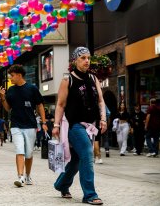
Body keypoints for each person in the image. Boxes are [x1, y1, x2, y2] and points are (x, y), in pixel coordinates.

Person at [52, 47, 107, 205]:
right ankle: (90, 194)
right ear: (75, 60)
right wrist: (56, 124)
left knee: (76, 159)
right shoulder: (67, 80)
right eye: (82, 58)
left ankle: (61, 184)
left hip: (91, 126)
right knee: (88, 153)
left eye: (88, 58)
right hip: (74, 126)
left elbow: (100, 101)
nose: (86, 61)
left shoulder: (93, 78)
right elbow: (61, 105)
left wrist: (103, 119)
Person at [0, 64, 48, 187]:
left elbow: (40, 105)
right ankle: (20, 177)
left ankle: (27, 175)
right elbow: (7, 108)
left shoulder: (32, 89)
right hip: (16, 125)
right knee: (19, 150)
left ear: (19, 75)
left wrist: (44, 122)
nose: (10, 78)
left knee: (29, 153)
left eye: (12, 76)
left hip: (30, 125)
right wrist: (3, 98)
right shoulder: (11, 90)